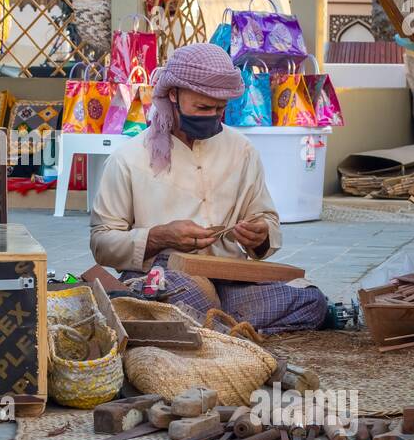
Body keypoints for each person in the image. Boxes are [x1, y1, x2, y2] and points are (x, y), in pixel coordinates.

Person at [89, 42, 329, 333]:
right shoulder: (129, 158)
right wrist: (158, 237)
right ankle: (225, 329)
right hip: (166, 277)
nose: (212, 117)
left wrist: (259, 235)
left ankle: (210, 330)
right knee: (183, 298)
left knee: (311, 300)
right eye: (202, 107)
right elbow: (102, 244)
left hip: (230, 281)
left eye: (220, 109)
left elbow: (267, 221)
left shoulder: (242, 150)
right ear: (174, 95)